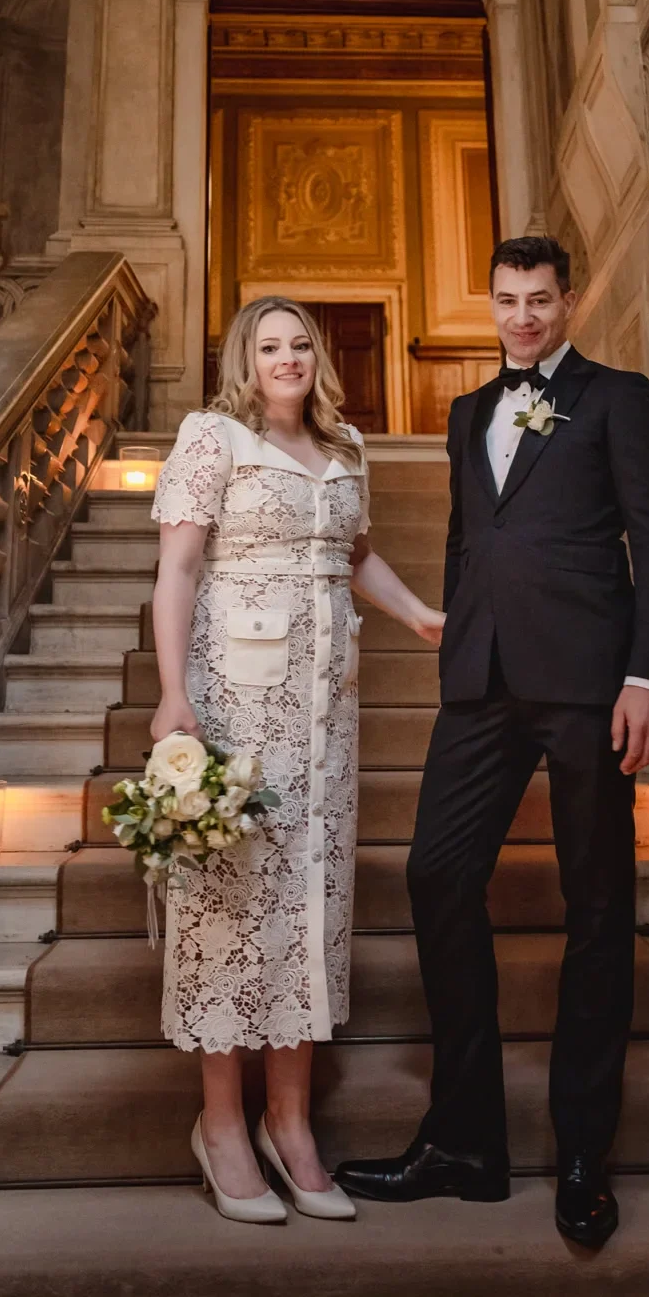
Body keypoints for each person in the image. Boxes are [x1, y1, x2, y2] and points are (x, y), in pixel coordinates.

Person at [336, 235, 649, 1249]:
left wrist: (647, 675)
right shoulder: (463, 414)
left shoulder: (617, 397)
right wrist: (453, 632)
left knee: (597, 908)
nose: (522, 316)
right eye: (505, 301)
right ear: (487, 306)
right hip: (481, 682)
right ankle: (465, 1142)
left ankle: (582, 1153)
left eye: (539, 299)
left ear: (568, 301)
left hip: (589, 683)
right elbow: (466, 536)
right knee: (437, 877)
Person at [149, 297, 445, 1224]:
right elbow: (180, 570)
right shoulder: (212, 438)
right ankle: (223, 1124)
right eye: (269, 346)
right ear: (245, 358)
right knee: (233, 901)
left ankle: (291, 1122)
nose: (288, 358)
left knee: (311, 902)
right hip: (236, 704)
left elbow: (356, 556)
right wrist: (172, 696)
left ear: (319, 356)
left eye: (301, 344)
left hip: (327, 716)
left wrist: (421, 616)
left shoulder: (349, 447)